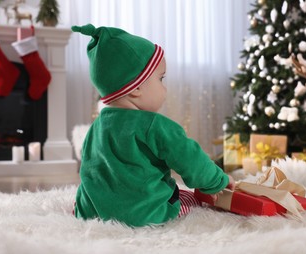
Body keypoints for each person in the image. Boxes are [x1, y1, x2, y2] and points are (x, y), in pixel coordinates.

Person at [71, 24, 235, 227]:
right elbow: (190, 159)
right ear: (137, 88)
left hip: (94, 215)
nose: (164, 87)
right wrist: (217, 181)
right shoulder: (154, 125)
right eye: (161, 78)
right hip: (146, 216)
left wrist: (84, 207)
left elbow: (89, 173)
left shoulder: (96, 128)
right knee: (190, 199)